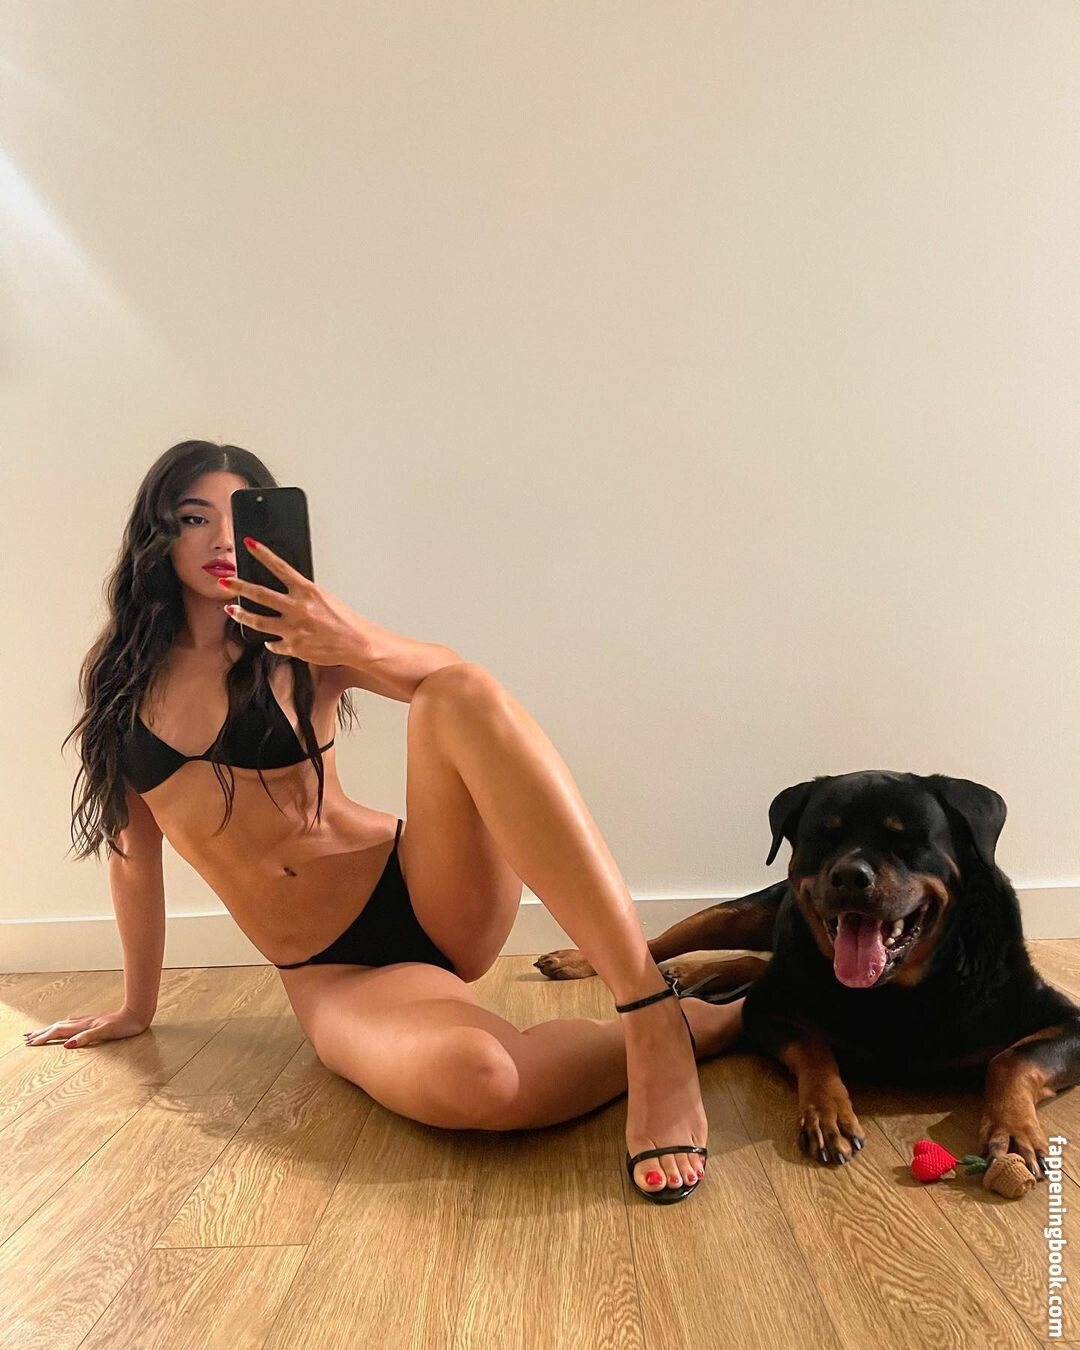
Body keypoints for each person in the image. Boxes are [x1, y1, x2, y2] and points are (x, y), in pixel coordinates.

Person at [41, 439, 745, 1203]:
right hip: (334, 971)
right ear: (156, 533)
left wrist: (350, 639)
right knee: (481, 1079)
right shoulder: (121, 682)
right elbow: (132, 856)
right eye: (191, 517)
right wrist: (137, 1006)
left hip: (428, 889)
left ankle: (645, 1007)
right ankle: (712, 1023)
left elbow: (460, 686)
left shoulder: (298, 640)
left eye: (234, 518)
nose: (218, 540)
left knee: (458, 692)